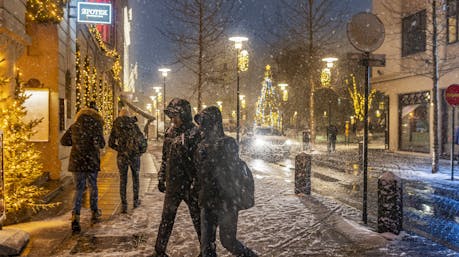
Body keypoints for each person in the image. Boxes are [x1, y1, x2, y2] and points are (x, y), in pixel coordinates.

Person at [194, 106, 258, 257]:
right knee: (206, 247)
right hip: (207, 201)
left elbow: (226, 169)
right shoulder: (202, 145)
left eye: (204, 122)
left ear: (213, 123)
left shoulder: (228, 143)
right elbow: (200, 172)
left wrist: (209, 153)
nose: (201, 127)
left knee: (228, 241)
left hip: (227, 201)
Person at [152, 98, 201, 257]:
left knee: (198, 218)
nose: (172, 120)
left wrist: (196, 182)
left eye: (175, 116)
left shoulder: (194, 133)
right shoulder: (170, 132)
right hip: (173, 184)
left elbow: (199, 161)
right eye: (171, 116)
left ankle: (207, 249)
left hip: (189, 184)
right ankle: (159, 251)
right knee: (166, 218)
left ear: (184, 115)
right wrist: (161, 176)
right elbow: (165, 157)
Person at [60, 102, 105, 233]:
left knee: (78, 189)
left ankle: (76, 215)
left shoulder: (75, 125)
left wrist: (76, 143)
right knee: (93, 186)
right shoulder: (96, 125)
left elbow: (64, 141)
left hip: (77, 162)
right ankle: (95, 211)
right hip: (91, 162)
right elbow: (102, 144)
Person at [108, 108, 143, 213]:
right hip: (134, 156)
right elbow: (141, 140)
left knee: (123, 180)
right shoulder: (134, 125)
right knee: (135, 178)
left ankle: (124, 204)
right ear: (129, 116)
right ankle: (136, 200)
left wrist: (120, 149)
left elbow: (110, 143)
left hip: (122, 157)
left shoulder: (116, 126)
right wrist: (140, 151)